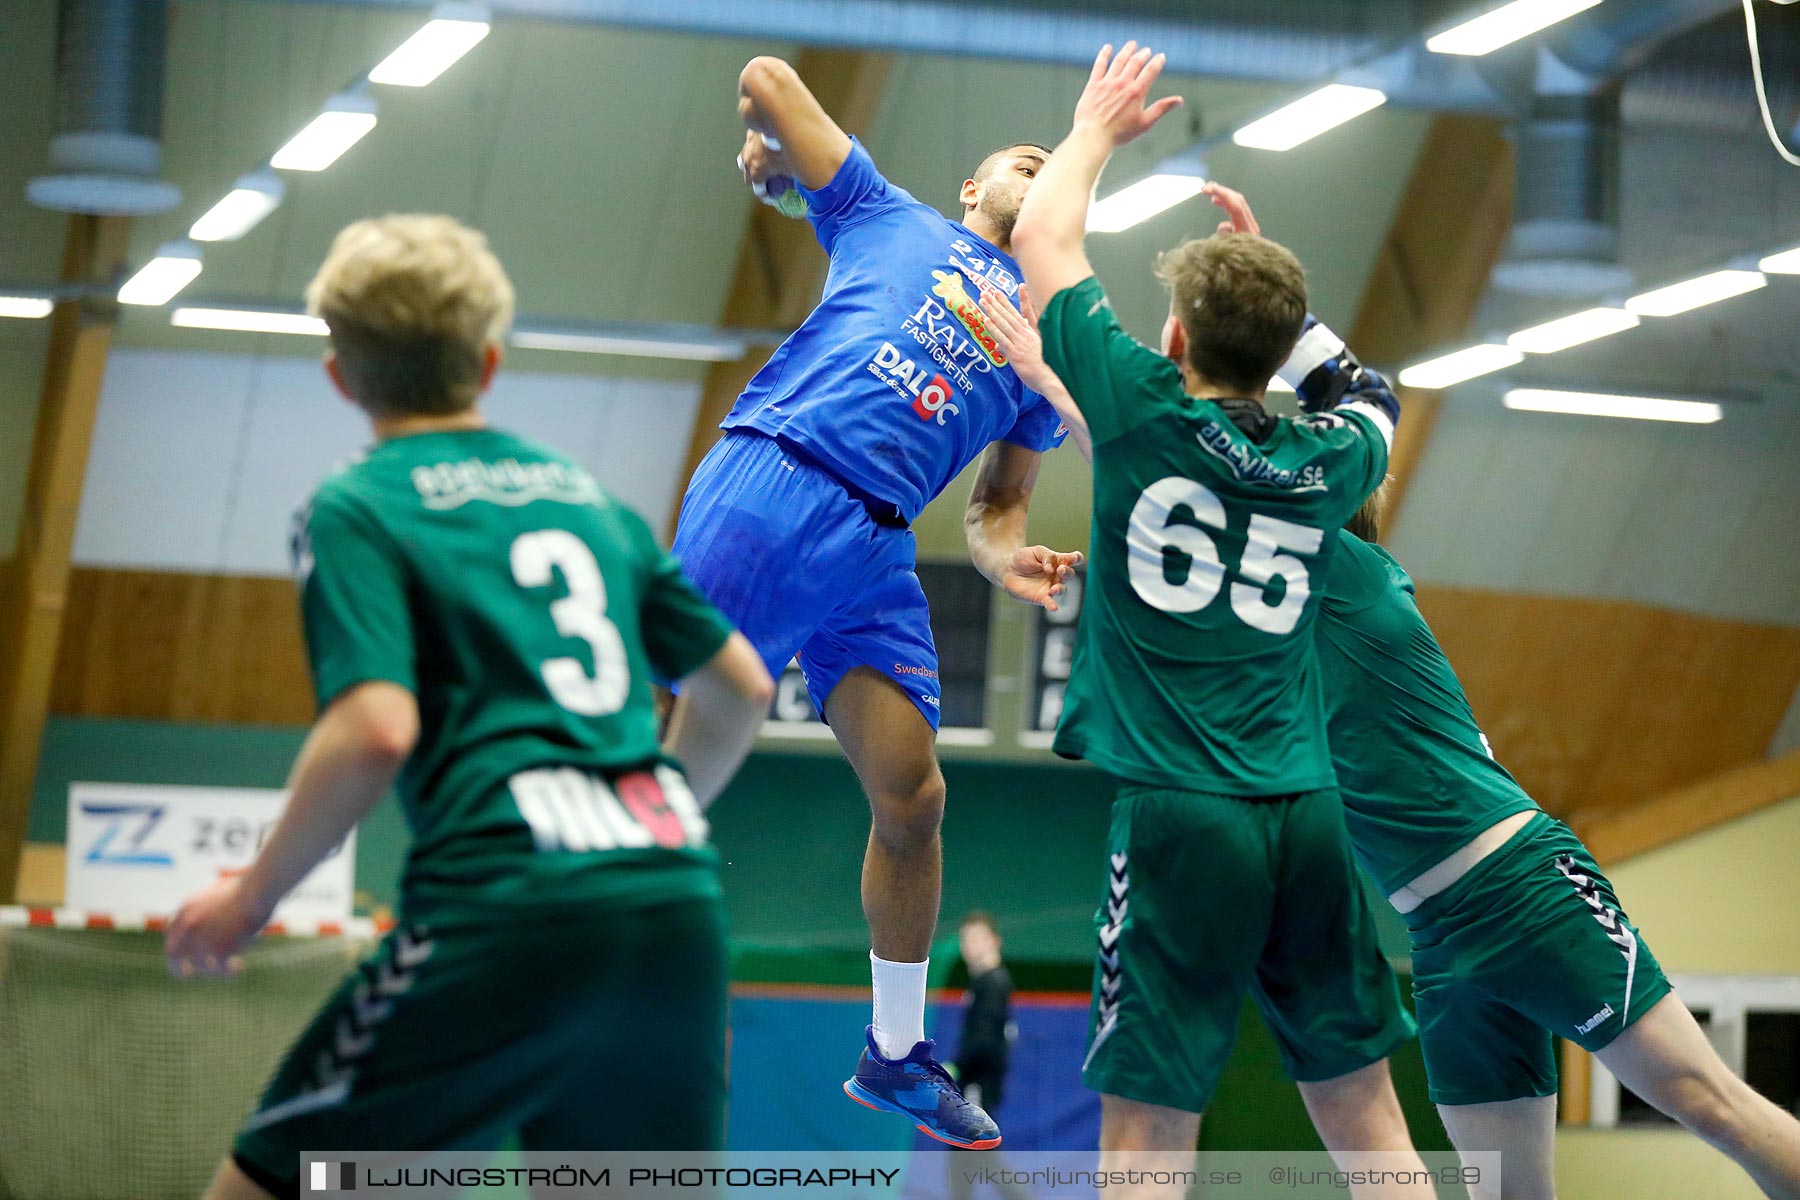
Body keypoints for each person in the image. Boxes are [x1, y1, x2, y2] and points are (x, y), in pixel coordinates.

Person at [163, 215, 774, 1199]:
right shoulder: (589, 500)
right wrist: (649, 818)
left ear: (340, 377)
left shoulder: (360, 505)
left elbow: (372, 731)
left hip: (502, 912)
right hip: (672, 908)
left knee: (267, 1186)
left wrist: (251, 896)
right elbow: (740, 688)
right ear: (488, 363)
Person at [1001, 45, 1428, 1198]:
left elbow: (1043, 241)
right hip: (1311, 812)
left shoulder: (1136, 410)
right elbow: (1373, 395)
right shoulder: (1330, 460)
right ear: (1280, 354)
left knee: (1143, 1132)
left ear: (1175, 342)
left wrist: (1093, 129)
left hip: (1186, 815)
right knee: (1368, 1116)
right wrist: (1285, 307)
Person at [668, 54, 1079, 1148]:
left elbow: (997, 507)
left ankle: (894, 1055)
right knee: (666, 749)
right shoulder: (882, 212)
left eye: (1056, 166)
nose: (1037, 166)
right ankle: (559, 943)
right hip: (777, 481)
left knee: (915, 801)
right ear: (971, 189)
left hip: (878, 550)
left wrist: (1005, 560)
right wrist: (768, 147)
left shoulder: (1045, 347)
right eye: (1018, 159)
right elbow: (762, 74)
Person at [1315, 485, 1800, 1200]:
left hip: (1525, 891)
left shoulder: (1346, 570)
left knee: (1708, 1101)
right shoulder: (1266, 647)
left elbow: (1184, 458)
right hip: (1440, 939)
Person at [953, 911, 1015, 1116]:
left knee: (974, 1140)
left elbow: (984, 1037)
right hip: (974, 1077)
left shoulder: (993, 982)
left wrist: (958, 1066)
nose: (969, 945)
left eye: (975, 938)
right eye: (965, 939)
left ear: (993, 941)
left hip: (979, 1078)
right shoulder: (981, 982)